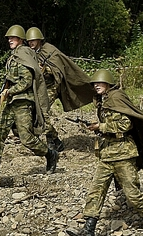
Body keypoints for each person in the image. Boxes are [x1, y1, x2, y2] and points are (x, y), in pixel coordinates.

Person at [66, 69, 143, 236]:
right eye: (94, 84)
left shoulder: (117, 97)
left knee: (132, 192)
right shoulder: (102, 101)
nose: (96, 86)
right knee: (96, 191)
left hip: (124, 153)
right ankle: (88, 230)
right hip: (107, 153)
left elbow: (126, 124)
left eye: (99, 83)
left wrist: (101, 127)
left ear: (108, 84)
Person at [0, 25, 56, 185]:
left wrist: (9, 92)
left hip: (23, 102)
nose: (10, 40)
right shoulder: (14, 56)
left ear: (21, 40)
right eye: (9, 38)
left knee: (27, 139)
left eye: (13, 38)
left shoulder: (23, 54)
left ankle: (50, 154)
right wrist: (4, 94)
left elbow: (26, 81)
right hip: (12, 102)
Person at [25, 26, 93, 154]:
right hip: (38, 88)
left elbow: (58, 70)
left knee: (41, 112)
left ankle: (52, 140)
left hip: (52, 86)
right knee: (33, 112)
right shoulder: (30, 53)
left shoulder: (50, 50)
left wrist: (46, 69)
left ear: (40, 40)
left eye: (33, 40)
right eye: (29, 41)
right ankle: (54, 139)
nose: (31, 43)